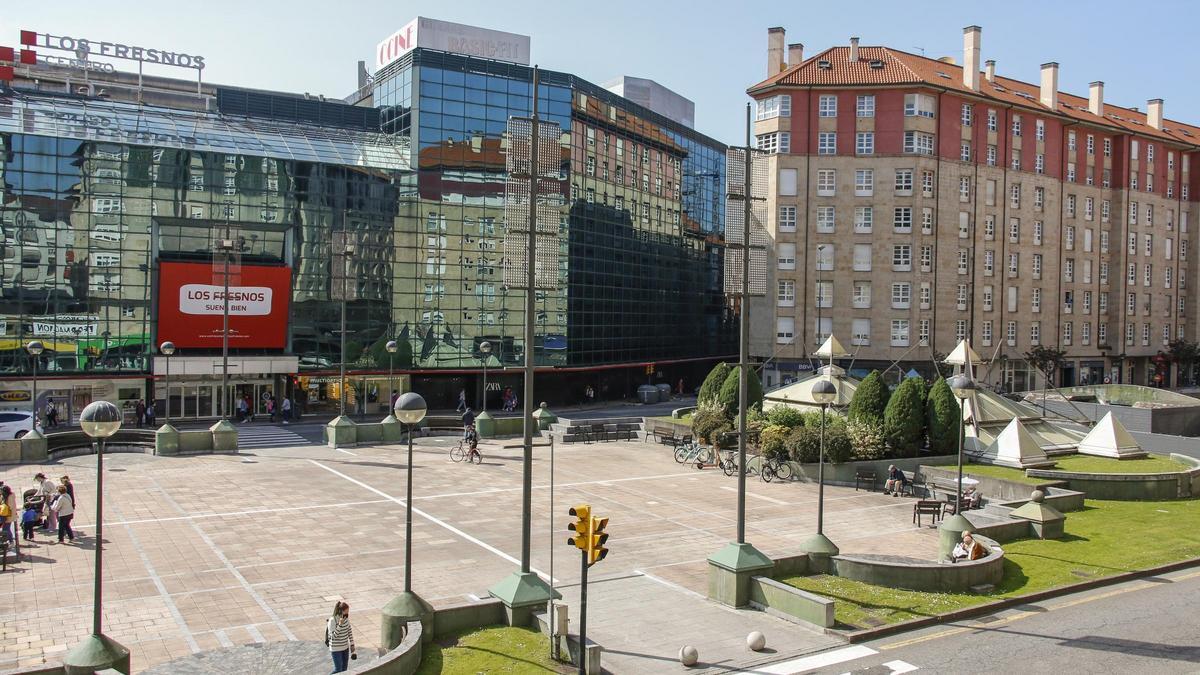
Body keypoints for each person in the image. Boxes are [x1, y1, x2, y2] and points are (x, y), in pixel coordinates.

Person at [325, 600, 357, 673]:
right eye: (346, 611)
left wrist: (352, 647)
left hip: (345, 648)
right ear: (340, 611)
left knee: (344, 670)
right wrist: (339, 625)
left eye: (348, 612)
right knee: (338, 669)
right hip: (336, 649)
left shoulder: (346, 619)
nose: (347, 613)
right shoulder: (332, 620)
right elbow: (333, 637)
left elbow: (350, 632)